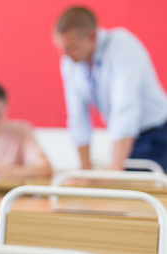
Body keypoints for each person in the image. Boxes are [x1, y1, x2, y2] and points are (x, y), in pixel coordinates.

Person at [53, 6, 167, 171]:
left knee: (132, 189)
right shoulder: (71, 61)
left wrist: (115, 170)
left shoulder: (121, 46)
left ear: (92, 36)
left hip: (157, 135)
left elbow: (125, 109)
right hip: (126, 139)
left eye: (71, 47)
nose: (65, 54)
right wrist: (86, 170)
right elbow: (77, 116)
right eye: (61, 48)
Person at [0, 81, 52, 180]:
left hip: (12, 193)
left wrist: (10, 172)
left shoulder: (21, 131)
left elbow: (45, 168)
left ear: (5, 106)